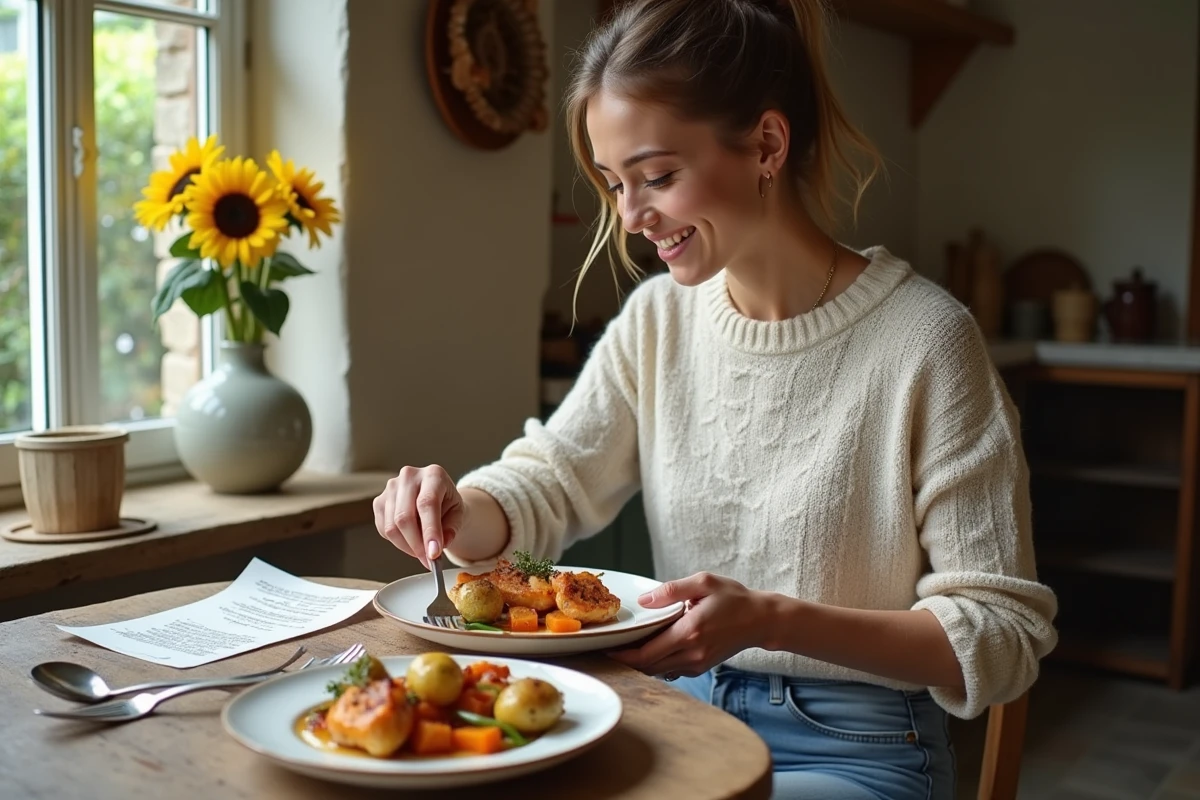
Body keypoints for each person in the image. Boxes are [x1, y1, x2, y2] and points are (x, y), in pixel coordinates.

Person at [372, 0, 1058, 797]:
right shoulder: (659, 319)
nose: (631, 216)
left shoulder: (928, 343)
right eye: (614, 182)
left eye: (658, 176)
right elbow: (554, 477)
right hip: (674, 715)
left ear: (767, 143)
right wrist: (460, 508)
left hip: (857, 747)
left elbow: (1003, 635)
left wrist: (770, 621)